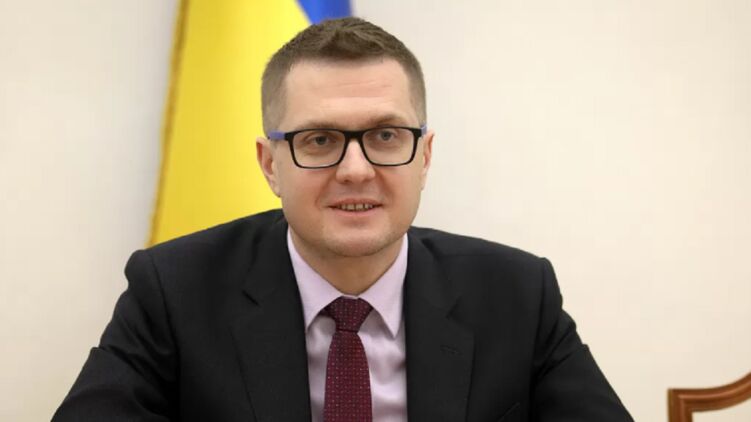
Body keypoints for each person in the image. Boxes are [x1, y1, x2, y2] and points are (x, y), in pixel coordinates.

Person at [54, 17, 633, 422]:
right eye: (320, 139)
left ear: (424, 156)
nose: (356, 170)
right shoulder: (174, 290)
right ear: (270, 164)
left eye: (386, 136)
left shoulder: (517, 293)